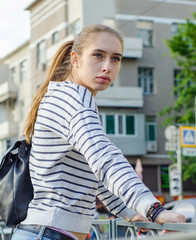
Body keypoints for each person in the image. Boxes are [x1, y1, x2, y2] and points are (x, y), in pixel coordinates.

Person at [11, 24, 185, 240]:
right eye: (98, 55)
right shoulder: (72, 101)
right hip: (47, 233)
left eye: (115, 58)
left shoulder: (73, 98)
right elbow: (105, 159)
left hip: (50, 233)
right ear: (75, 59)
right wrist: (153, 209)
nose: (107, 66)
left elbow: (95, 174)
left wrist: (131, 213)